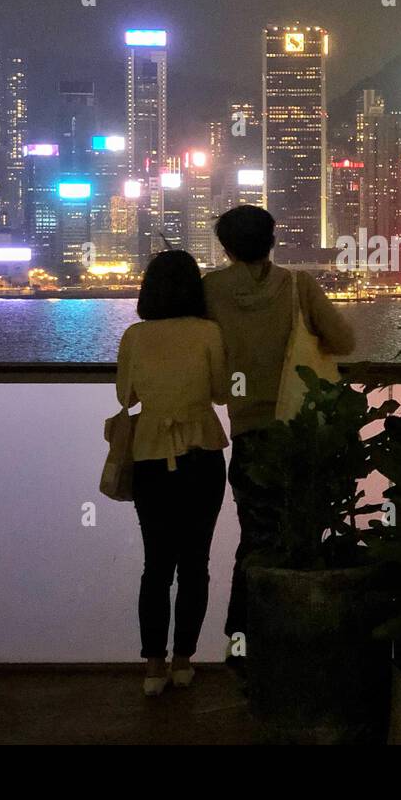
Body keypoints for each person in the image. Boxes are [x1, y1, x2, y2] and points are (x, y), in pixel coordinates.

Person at [202, 206, 356, 667]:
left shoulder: (210, 290)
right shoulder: (297, 286)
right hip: (301, 429)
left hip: (249, 431)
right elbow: (344, 341)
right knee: (305, 532)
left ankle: (243, 639)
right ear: (273, 242)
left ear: (226, 248)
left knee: (255, 537)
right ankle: (302, 643)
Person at [116, 250, 230, 697]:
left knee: (156, 566)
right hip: (201, 453)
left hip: (150, 455)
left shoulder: (134, 335)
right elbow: (222, 392)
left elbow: (126, 393)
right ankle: (185, 660)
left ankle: (152, 667)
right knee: (195, 564)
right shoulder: (208, 332)